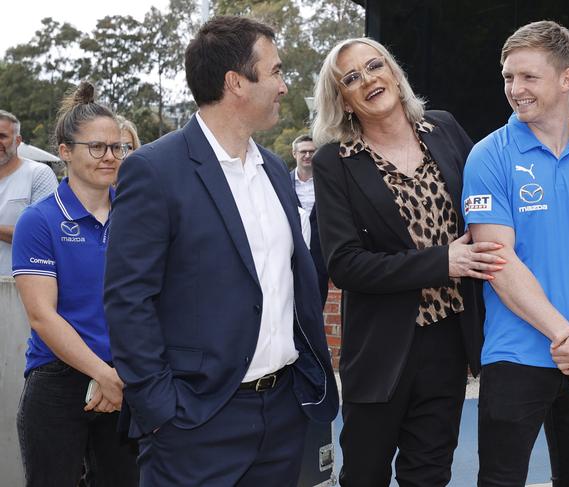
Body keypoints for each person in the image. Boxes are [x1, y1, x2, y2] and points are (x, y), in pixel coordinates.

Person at [103, 16, 339, 487]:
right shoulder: (154, 170)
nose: (284, 86)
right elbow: (128, 301)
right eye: (274, 71)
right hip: (195, 422)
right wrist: (162, 410)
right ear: (235, 82)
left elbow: (292, 283)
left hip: (282, 415)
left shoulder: (274, 170)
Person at [311, 37, 505, 487]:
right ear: (343, 100)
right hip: (381, 351)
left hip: (448, 343)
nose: (368, 80)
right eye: (352, 78)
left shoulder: (445, 129)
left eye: (374, 66)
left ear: (394, 73)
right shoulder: (334, 162)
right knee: (363, 475)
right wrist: (443, 261)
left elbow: (490, 197)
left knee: (429, 475)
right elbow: (345, 264)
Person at [462, 20, 569, 487]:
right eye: (507, 77)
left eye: (528, 77)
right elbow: (497, 260)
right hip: (516, 358)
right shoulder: (488, 156)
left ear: (567, 78)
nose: (515, 89)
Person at [11, 81, 138, 487]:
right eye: (97, 147)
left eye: (116, 147)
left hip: (126, 378)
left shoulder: (137, 217)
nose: (110, 157)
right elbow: (42, 316)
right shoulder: (40, 220)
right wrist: (101, 373)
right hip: (59, 383)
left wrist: (118, 375)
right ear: (65, 152)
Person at [0, 110, 57, 275]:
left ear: (18, 141)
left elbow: (45, 233)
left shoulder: (39, 174)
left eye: (2, 136)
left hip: (21, 287)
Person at [290, 134, 328, 306]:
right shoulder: (282, 181)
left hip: (320, 258)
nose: (307, 155)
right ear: (294, 154)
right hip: (289, 254)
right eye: (303, 151)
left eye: (312, 151)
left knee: (317, 305)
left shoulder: (328, 183)